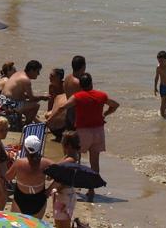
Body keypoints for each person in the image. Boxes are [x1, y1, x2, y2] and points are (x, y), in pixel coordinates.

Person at [47, 72, 117, 201]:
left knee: (73, 157)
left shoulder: (78, 96)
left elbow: (62, 107)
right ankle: (91, 190)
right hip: (98, 132)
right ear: (91, 83)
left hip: (83, 132)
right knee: (94, 162)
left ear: (81, 86)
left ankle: (66, 182)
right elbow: (115, 105)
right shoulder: (101, 95)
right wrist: (105, 114)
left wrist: (50, 119)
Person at [6, 135, 52, 218]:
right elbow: (62, 175)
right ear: (39, 147)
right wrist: (49, 189)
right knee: (35, 225)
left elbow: (8, 177)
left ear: (25, 147)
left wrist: (9, 162)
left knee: (16, 224)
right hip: (39, 200)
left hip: (20, 199)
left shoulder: (19, 163)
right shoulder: (46, 163)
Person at [0, 60, 47, 124]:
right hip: (7, 104)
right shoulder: (26, 80)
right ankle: (27, 126)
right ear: (31, 70)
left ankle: (19, 124)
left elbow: (20, 95)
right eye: (37, 71)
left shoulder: (18, 74)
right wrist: (43, 97)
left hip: (2, 101)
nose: (38, 74)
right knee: (36, 105)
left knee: (24, 102)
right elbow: (32, 98)